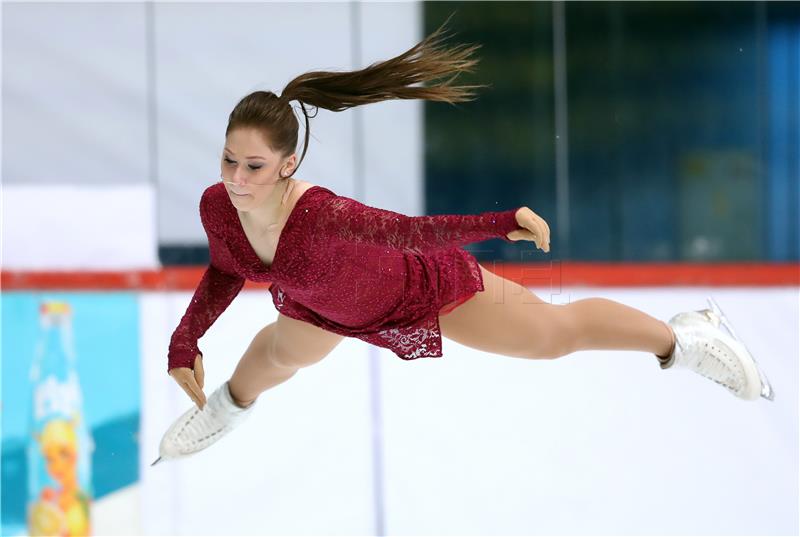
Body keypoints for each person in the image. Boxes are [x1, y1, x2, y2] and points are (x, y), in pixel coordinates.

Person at [151, 17, 774, 467]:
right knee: (277, 358)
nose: (236, 178)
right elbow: (228, 269)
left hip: (420, 288)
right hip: (322, 307)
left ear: (288, 165)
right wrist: (186, 339)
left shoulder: (321, 214)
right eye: (229, 159)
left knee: (552, 338)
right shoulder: (219, 204)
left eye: (253, 166)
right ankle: (224, 410)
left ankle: (686, 337)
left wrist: (501, 221)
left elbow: (410, 234)